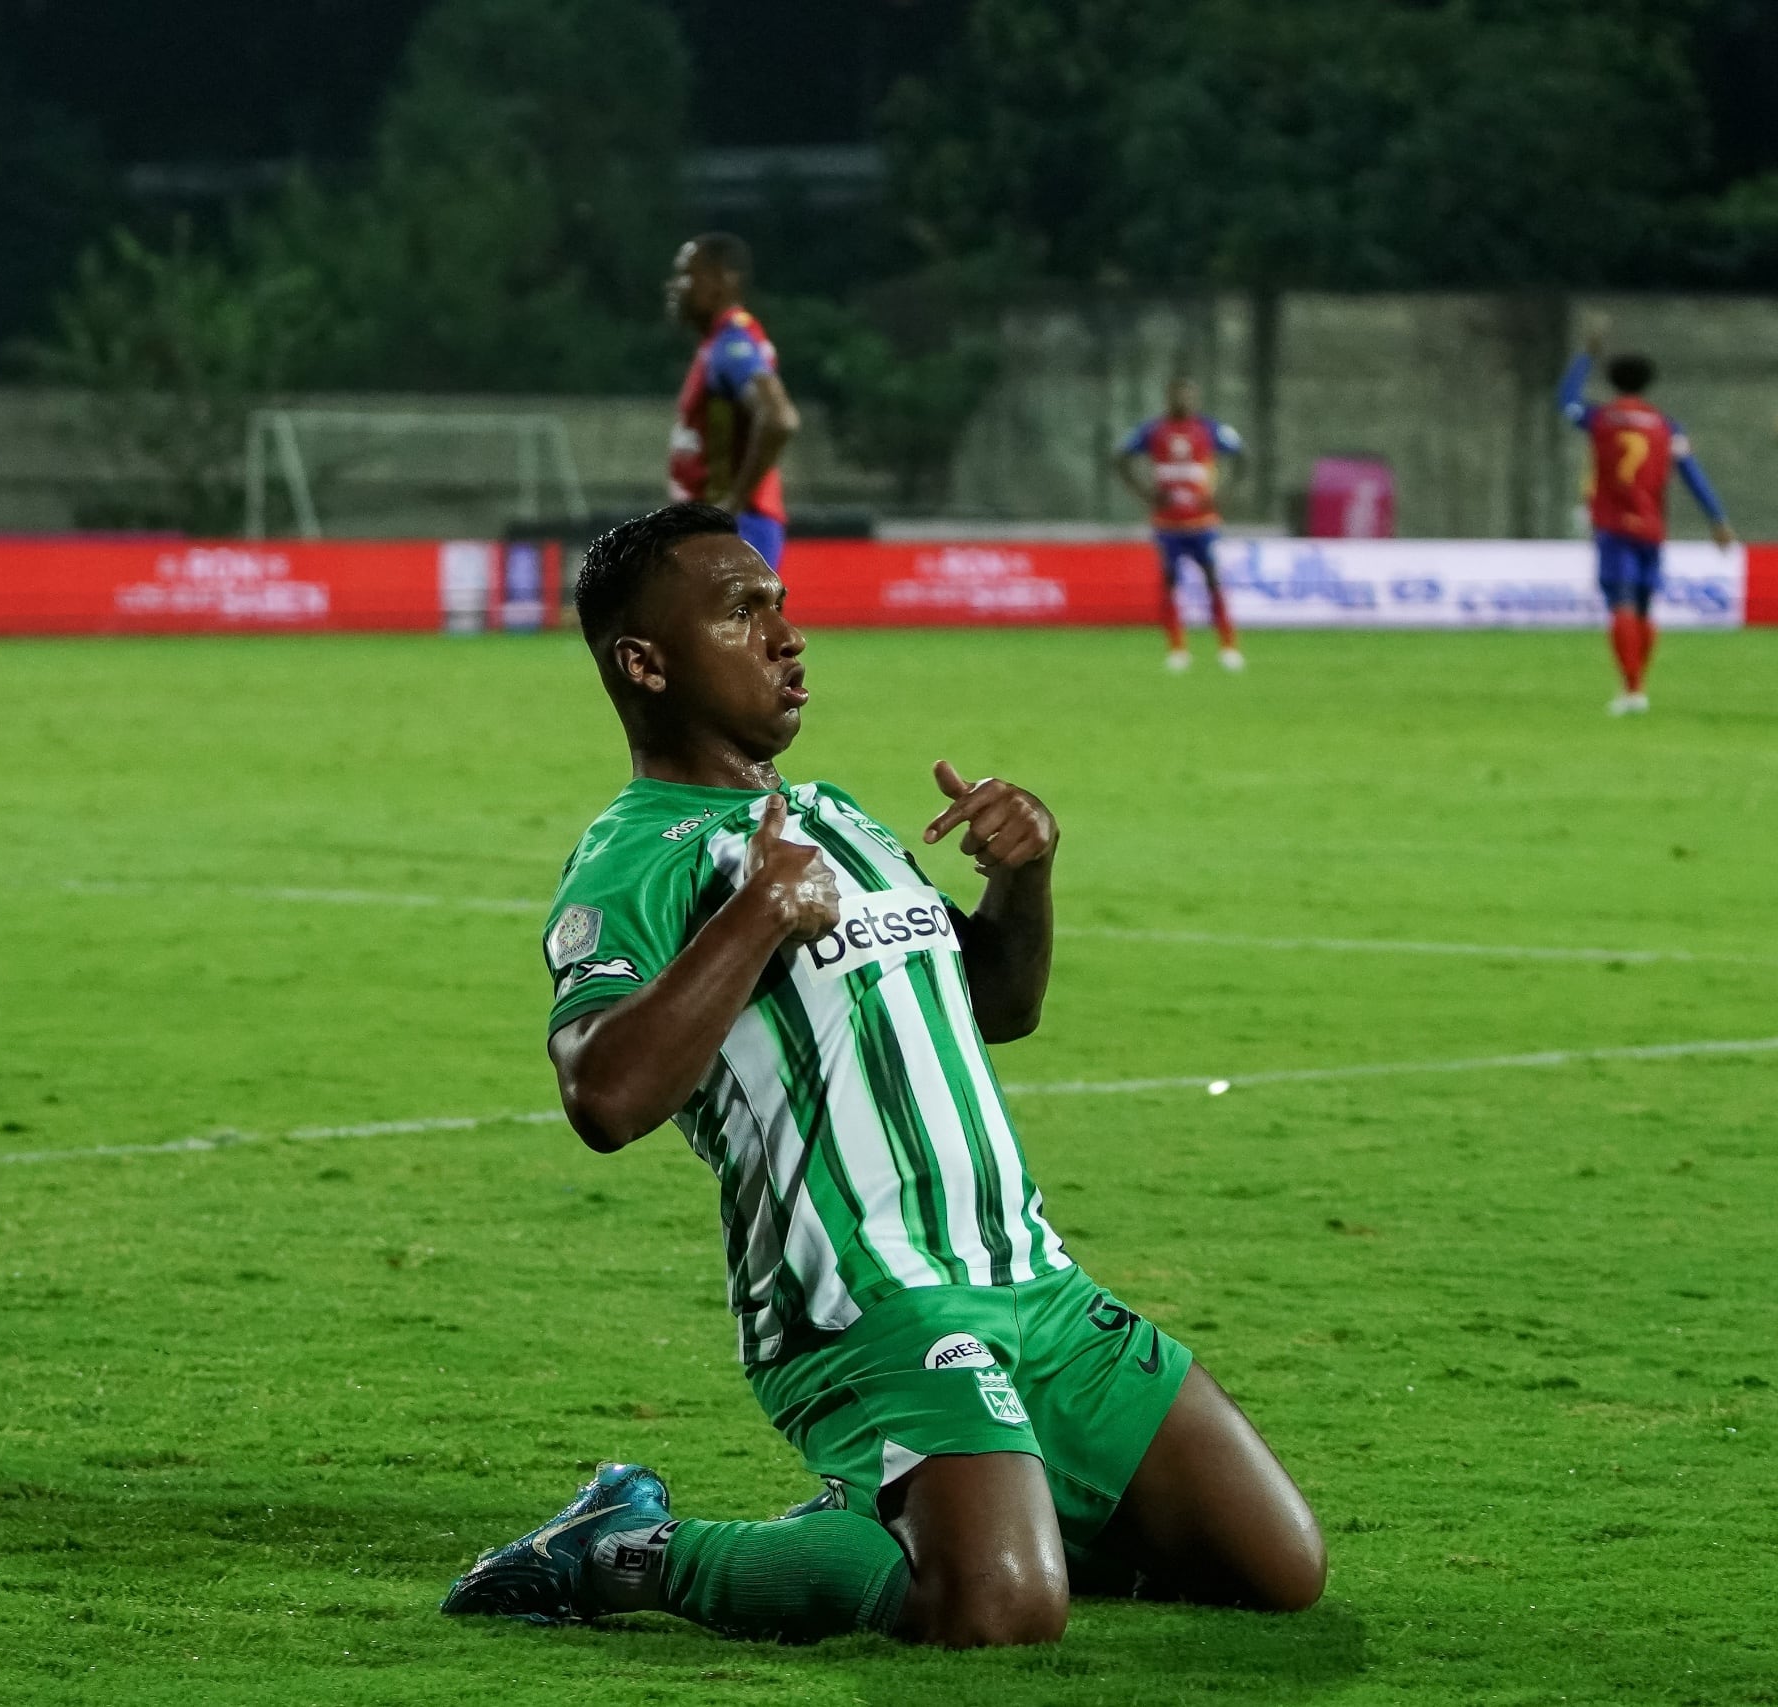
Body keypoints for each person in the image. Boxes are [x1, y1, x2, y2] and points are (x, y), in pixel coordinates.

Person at [442, 502, 1325, 1647]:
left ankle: (972, 1516)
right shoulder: (634, 857)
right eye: (741, 614)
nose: (786, 637)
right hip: (866, 1303)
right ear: (645, 664)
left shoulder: (836, 818)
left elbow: (997, 1006)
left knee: (1275, 1569)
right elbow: (601, 1096)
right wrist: (756, 915)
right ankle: (622, 1550)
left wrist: (1024, 879)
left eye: (783, 610)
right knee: (997, 1612)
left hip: (1031, 1283)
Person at [1559, 318, 1736, 716]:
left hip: (1612, 524)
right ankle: (1636, 687)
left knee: (1621, 605)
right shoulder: (1666, 425)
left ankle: (1633, 690)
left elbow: (1565, 402)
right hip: (1652, 526)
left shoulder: (1601, 418)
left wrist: (1586, 355)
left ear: (1613, 382)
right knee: (1643, 608)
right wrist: (1717, 519)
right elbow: (1692, 474)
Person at [665, 233, 799, 572]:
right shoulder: (718, 344)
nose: (676, 286)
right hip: (720, 529)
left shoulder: (731, 344)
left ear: (721, 280)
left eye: (686, 275)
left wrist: (733, 503)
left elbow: (778, 418)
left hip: (738, 530)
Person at [1114, 381, 1247, 673]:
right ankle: (1177, 650)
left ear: (1195, 398)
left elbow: (1241, 456)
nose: (1183, 400)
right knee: (1170, 581)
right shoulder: (1153, 431)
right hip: (1168, 523)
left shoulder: (1209, 429)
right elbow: (1120, 457)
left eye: (1189, 394)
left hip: (1202, 522)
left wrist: (1222, 496)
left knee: (1212, 580)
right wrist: (1146, 494)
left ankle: (1228, 647)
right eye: (1178, 394)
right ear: (1168, 397)